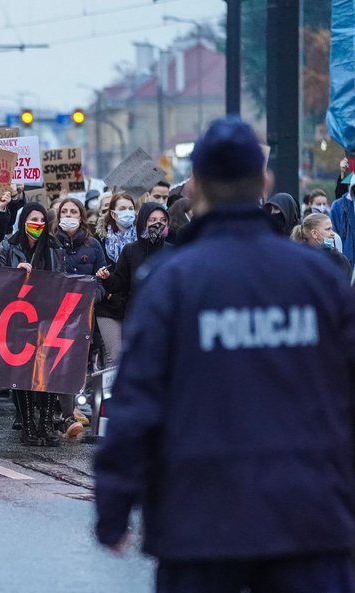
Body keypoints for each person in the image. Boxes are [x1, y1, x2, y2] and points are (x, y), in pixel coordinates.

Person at [94, 116, 355, 592]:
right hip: (310, 516)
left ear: (194, 188)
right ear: (265, 181)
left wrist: (114, 505)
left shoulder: (171, 282)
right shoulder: (319, 278)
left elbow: (137, 401)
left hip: (199, 520)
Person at [0, 202, 64, 446]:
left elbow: (62, 279)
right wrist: (16, 272)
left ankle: (46, 422)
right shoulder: (8, 246)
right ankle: (28, 425)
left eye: (42, 220)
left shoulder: (54, 247)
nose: (38, 225)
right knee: (23, 371)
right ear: (23, 221)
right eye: (33, 219)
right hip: (18, 318)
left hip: (47, 317)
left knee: (48, 369)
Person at [95, 193, 137, 368]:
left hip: (134, 305)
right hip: (108, 306)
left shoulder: (143, 240)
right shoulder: (99, 240)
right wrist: (108, 294)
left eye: (130, 208)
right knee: (115, 359)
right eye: (122, 209)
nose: (127, 212)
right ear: (113, 213)